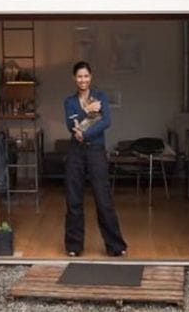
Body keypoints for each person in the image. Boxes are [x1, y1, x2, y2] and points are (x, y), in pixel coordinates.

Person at [63, 61, 127, 257]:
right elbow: (69, 126)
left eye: (86, 76)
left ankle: (115, 245)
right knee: (73, 199)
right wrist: (90, 113)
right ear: (75, 78)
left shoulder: (100, 96)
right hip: (75, 153)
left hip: (96, 152)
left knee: (103, 198)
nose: (83, 80)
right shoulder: (69, 102)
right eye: (79, 76)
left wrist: (84, 131)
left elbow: (107, 121)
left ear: (91, 77)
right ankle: (74, 246)